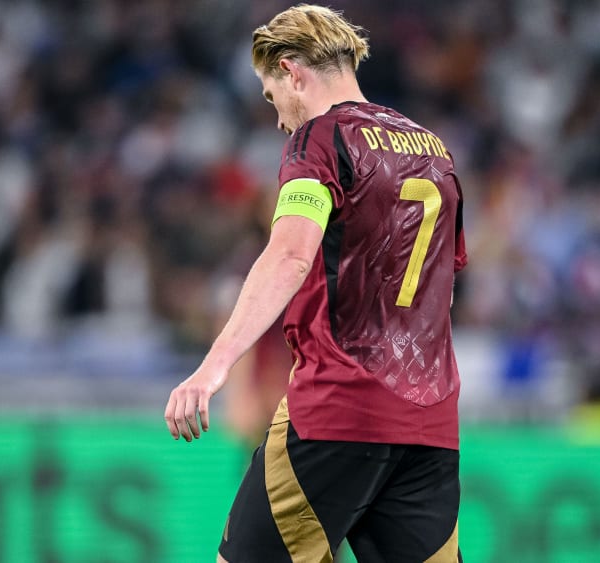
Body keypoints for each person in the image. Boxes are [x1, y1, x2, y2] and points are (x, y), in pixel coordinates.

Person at [163, 5, 467, 562]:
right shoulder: (434, 150)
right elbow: (441, 291)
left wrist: (214, 366)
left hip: (339, 413)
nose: (279, 118)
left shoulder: (319, 141)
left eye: (271, 96)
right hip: (430, 426)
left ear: (291, 71)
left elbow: (289, 255)